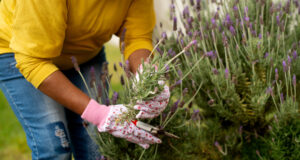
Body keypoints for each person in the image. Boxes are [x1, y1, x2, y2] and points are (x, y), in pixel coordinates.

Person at [0, 0, 170, 159]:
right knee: (54, 146)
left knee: (97, 146)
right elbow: (33, 62)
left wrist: (148, 75)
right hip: (21, 52)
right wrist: (100, 114)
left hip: (84, 54)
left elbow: (137, 37)